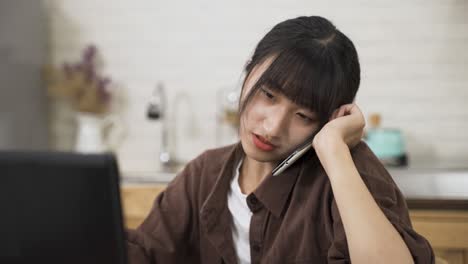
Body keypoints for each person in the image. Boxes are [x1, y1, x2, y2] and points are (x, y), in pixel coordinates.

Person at [126, 16, 434, 263]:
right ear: (249, 69)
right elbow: (143, 251)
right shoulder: (204, 174)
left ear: (330, 120)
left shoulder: (348, 172)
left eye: (304, 116)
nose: (272, 128)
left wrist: (333, 150)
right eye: (268, 95)